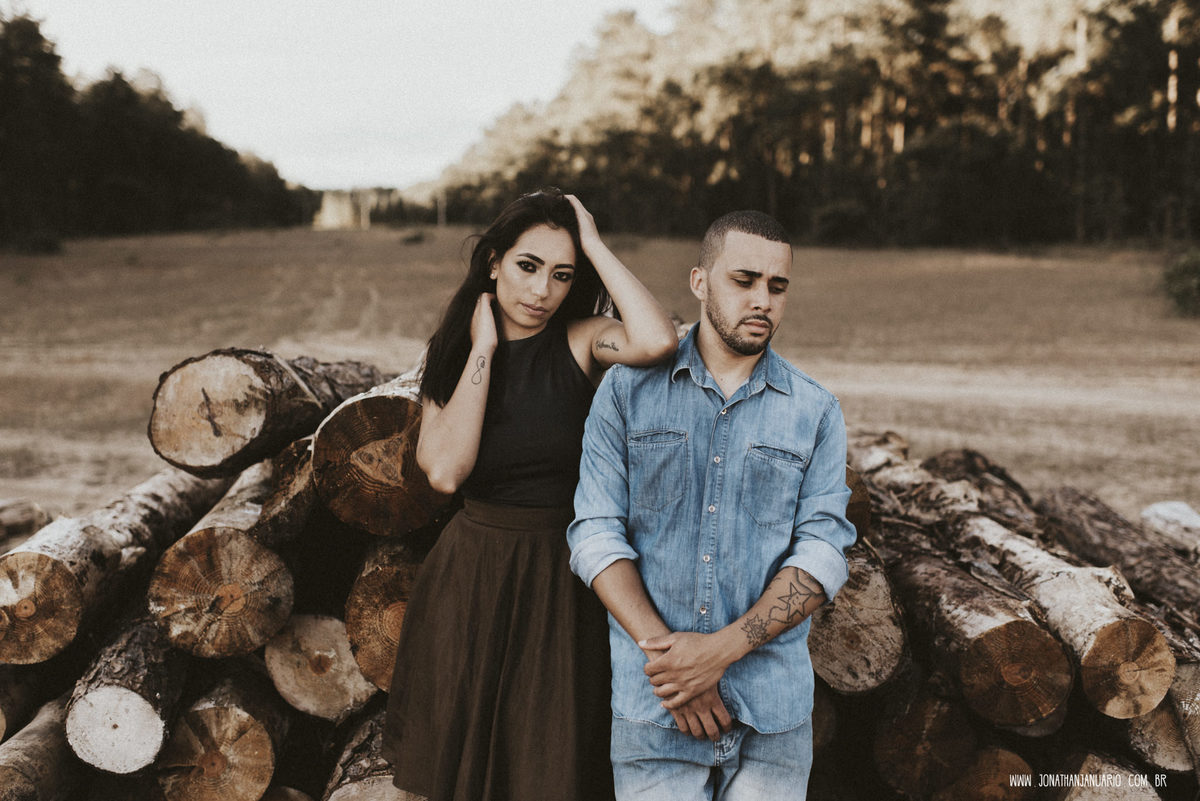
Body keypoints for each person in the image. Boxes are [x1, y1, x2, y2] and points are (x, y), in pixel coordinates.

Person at [382, 188, 679, 801]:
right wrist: (485, 348)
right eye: (527, 266)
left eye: (562, 275)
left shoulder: (582, 340)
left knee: (552, 759)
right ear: (493, 261)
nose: (542, 290)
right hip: (472, 580)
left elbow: (657, 342)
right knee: (467, 769)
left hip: (564, 575)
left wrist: (594, 242)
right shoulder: (454, 354)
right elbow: (445, 472)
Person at [567, 210, 856, 801]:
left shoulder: (816, 411)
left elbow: (823, 552)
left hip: (770, 715)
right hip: (655, 711)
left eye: (777, 287)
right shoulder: (625, 390)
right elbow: (595, 533)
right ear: (699, 282)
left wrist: (719, 653)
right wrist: (676, 667)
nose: (763, 301)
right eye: (744, 280)